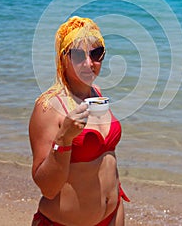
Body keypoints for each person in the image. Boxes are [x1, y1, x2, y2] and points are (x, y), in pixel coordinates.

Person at [29, 16, 130, 226]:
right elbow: (47, 188)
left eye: (96, 54)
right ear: (62, 58)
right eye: (77, 55)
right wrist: (64, 139)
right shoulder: (48, 107)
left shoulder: (97, 94)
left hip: (111, 215)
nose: (89, 63)